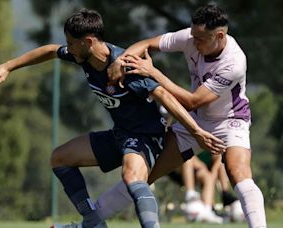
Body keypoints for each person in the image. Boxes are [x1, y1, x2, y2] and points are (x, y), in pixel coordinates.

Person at [0, 8, 225, 228]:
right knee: (60, 158)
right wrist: (7, 66)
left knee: (131, 176)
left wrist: (196, 131)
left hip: (145, 137)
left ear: (88, 42)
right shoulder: (83, 55)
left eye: (71, 43)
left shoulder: (127, 66)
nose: (67, 47)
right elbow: (49, 50)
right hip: (119, 134)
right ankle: (93, 222)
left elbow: (164, 96)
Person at [98, 4, 266, 228]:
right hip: (194, 120)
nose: (193, 43)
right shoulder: (191, 36)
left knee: (238, 172)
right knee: (142, 176)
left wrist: (154, 72)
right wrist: (121, 60)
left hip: (230, 121)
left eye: (200, 39)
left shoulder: (234, 62)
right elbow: (146, 44)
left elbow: (192, 100)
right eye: (193, 35)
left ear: (219, 35)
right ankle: (89, 222)